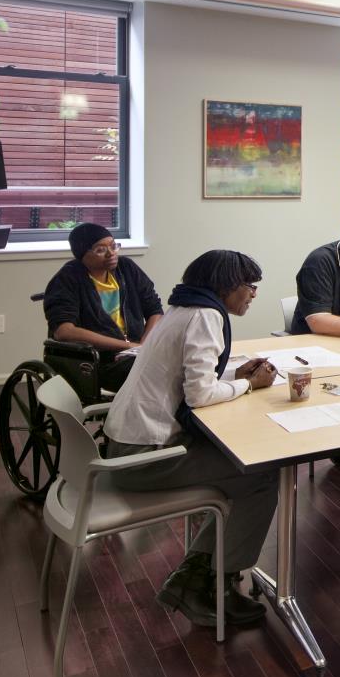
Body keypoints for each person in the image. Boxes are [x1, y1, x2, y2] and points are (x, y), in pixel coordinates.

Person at [103, 250, 280, 629]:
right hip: (142, 457)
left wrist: (234, 371)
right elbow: (199, 395)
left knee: (241, 464)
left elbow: (188, 376)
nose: (253, 294)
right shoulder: (206, 316)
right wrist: (247, 383)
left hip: (123, 446)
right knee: (260, 474)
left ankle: (195, 577)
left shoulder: (184, 309)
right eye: (250, 286)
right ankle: (214, 585)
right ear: (227, 286)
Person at [43, 222, 163, 393]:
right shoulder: (67, 279)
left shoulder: (126, 269)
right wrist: (127, 346)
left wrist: (143, 345)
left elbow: (155, 309)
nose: (111, 254)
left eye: (113, 246)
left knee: (175, 361)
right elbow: (64, 331)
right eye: (101, 250)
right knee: (157, 372)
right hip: (99, 362)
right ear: (82, 255)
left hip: (135, 353)